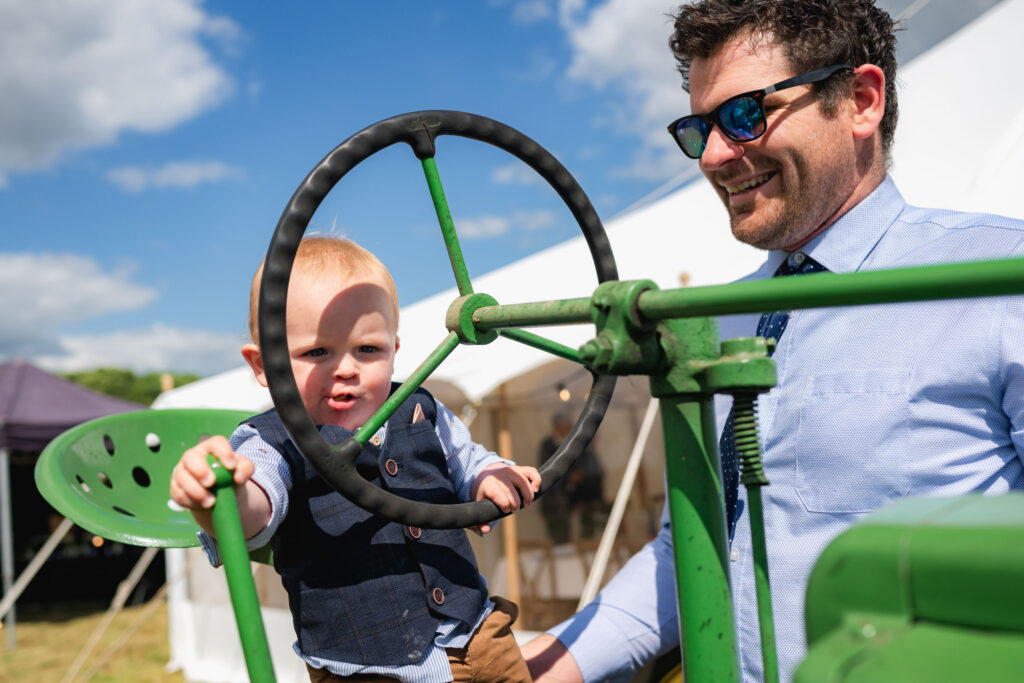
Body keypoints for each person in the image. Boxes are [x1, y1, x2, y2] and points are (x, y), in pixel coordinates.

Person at [521, 1, 1024, 681]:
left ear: (862, 101)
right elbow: (688, 553)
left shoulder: (998, 279)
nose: (717, 155)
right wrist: (543, 664)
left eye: (745, 113)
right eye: (700, 128)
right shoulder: (720, 319)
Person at [170, 236, 541, 683]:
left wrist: (490, 475)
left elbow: (467, 460)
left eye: (368, 349)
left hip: (480, 638)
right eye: (316, 352)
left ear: (395, 349)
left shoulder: (420, 407)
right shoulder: (271, 442)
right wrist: (219, 493)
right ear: (262, 364)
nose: (346, 368)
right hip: (367, 667)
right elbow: (255, 510)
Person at [538, 412, 606, 543]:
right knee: (558, 535)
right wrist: (568, 477)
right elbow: (547, 470)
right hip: (553, 499)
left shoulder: (571, 443)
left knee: (578, 531)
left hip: (571, 497)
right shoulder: (548, 445)